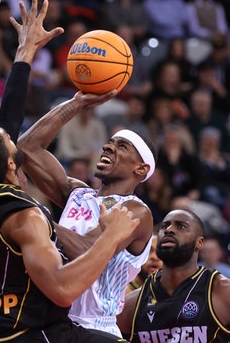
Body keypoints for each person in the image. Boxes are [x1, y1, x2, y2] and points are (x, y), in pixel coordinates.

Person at [0, 0, 140, 342]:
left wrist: (25, 54)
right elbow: (63, 290)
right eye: (6, 140)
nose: (8, 133)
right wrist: (112, 236)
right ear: (10, 163)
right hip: (32, 335)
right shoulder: (26, 217)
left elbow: (9, 123)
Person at [18, 91, 156, 336]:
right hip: (54, 322)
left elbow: (87, 252)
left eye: (121, 146)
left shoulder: (137, 211)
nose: (107, 146)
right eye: (110, 142)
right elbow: (27, 148)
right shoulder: (78, 193)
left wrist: (34, 213)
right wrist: (76, 104)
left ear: (141, 168)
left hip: (95, 327)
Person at [117, 209, 230, 341]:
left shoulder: (227, 293)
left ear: (200, 243)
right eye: (165, 226)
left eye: (181, 226)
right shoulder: (132, 304)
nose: (169, 229)